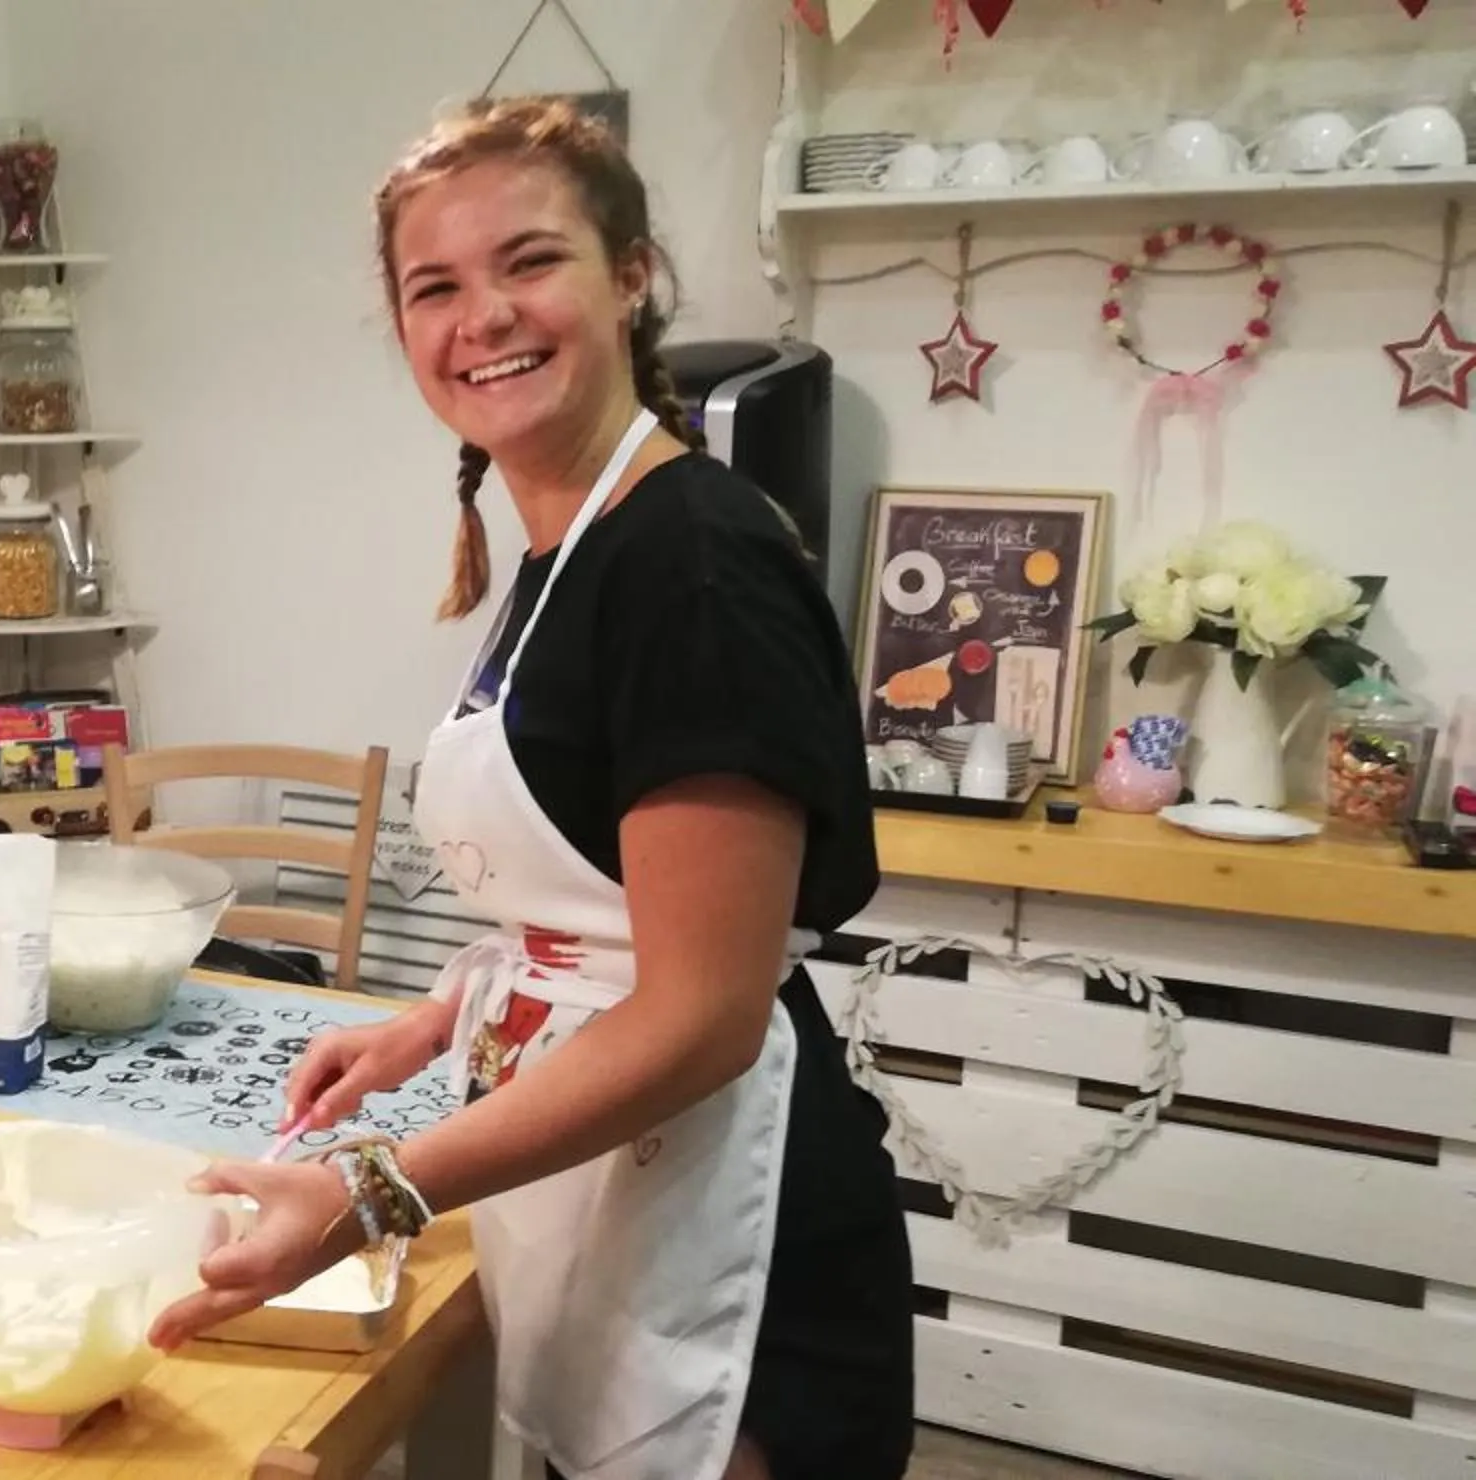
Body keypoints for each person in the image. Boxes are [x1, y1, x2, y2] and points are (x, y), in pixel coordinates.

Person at [147, 99, 913, 1480]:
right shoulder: (576, 552)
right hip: (612, 1198)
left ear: (632, 278)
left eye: (531, 261)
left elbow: (701, 1015)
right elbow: (598, 908)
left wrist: (372, 1187)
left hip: (740, 1260)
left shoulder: (693, 565)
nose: (483, 317)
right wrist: (429, 1023)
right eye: (434, 286)